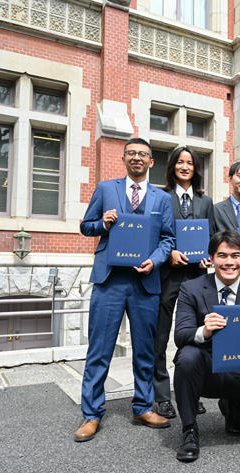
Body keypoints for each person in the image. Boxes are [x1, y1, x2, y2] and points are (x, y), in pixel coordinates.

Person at [75, 138, 175, 442]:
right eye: (131, 153)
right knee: (99, 349)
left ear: (151, 161)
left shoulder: (162, 198)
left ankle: (143, 406)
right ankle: (92, 413)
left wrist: (155, 261)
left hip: (145, 282)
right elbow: (86, 226)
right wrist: (103, 224)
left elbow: (168, 239)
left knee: (145, 349)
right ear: (123, 158)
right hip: (110, 281)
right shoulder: (106, 189)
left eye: (143, 154)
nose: (137, 158)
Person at [172, 230, 240, 462]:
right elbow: (180, 335)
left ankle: (234, 411)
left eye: (236, 255)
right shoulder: (191, 288)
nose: (229, 262)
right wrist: (204, 331)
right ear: (211, 258)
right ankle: (189, 430)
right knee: (187, 356)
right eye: (222, 255)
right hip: (205, 367)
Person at [153, 147, 214, 419]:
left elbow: (212, 236)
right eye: (180, 162)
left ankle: (192, 392)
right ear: (172, 166)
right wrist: (169, 253)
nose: (185, 166)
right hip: (168, 275)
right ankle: (162, 396)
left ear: (196, 168)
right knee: (160, 335)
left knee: (196, 334)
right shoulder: (161, 197)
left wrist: (208, 258)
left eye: (190, 162)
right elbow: (154, 233)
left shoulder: (205, 201)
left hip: (197, 276)